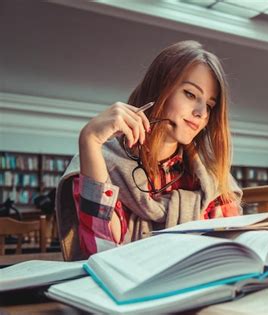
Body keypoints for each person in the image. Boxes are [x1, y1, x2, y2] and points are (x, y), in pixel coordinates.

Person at [56, 41, 242, 259]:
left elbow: (232, 253)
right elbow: (99, 251)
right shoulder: (98, 162)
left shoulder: (213, 178)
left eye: (209, 105)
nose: (201, 112)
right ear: (159, 87)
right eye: (190, 94)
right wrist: (89, 140)